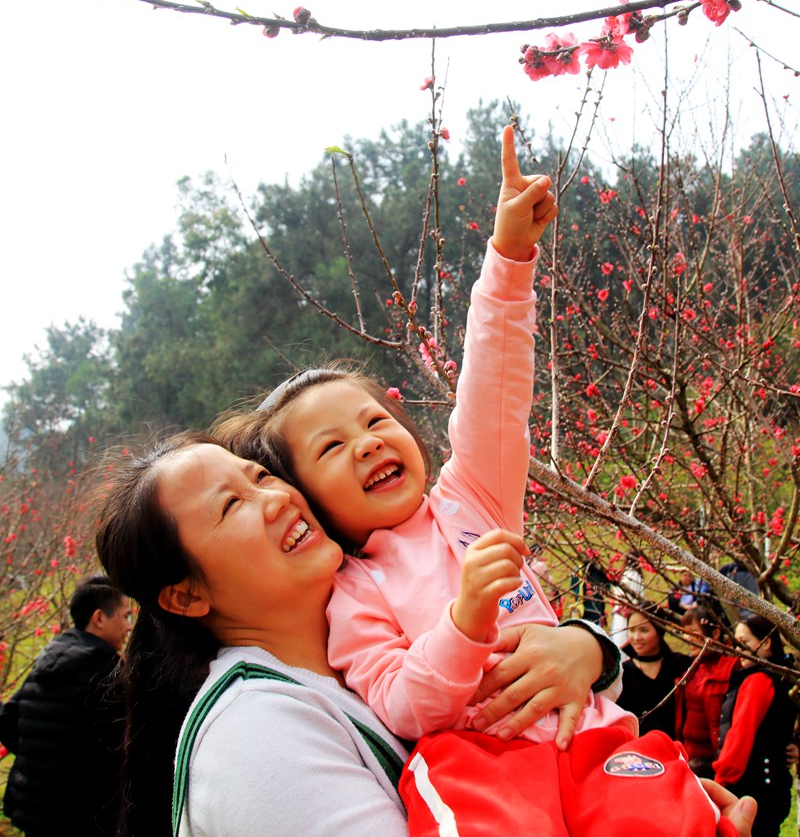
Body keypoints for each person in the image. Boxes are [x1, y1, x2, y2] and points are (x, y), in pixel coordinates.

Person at [215, 128, 740, 837]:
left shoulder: (472, 500)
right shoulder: (353, 591)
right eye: (333, 447)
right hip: (481, 765)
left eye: (374, 420)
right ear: (306, 495)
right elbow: (401, 705)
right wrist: (464, 621)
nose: (367, 443)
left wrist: (510, 258)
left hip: (589, 736)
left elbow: (494, 389)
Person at [93, 433, 627, 837]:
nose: (275, 498)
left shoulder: (372, 653)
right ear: (186, 597)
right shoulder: (254, 736)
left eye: (258, 476)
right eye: (231, 506)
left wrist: (587, 651)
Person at [0, 574, 131, 837]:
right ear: (99, 618)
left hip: (36, 808)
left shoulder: (49, 657)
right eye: (125, 616)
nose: (129, 626)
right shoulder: (104, 670)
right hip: (82, 815)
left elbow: (7, 718)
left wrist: (41, 759)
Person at [714, 614, 796, 837]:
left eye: (744, 642)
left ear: (766, 643)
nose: (737, 650)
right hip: (772, 787)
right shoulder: (782, 678)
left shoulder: (758, 680)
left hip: (750, 790)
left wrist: (721, 782)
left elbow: (740, 735)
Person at [676, 605, 739, 778]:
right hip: (687, 758)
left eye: (694, 632)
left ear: (716, 633)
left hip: (713, 762)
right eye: (685, 632)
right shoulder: (691, 667)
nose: (688, 638)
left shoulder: (732, 667)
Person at [618, 606, 691, 736]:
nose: (636, 637)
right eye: (631, 630)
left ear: (659, 631)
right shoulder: (622, 674)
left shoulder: (682, 666)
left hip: (678, 750)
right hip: (638, 751)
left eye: (644, 630)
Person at [608, 552, 646, 647]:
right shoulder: (637, 576)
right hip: (630, 612)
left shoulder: (629, 576)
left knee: (620, 640)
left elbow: (621, 594)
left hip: (624, 613)